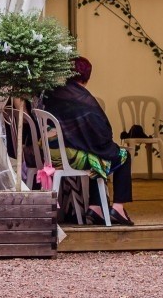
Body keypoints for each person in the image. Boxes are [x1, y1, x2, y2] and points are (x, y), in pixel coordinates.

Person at [39, 56, 135, 225]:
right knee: (122, 155)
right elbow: (101, 137)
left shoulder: (54, 93)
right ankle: (118, 208)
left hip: (50, 152)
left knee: (94, 153)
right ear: (87, 77)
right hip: (68, 156)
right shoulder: (83, 101)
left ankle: (96, 208)